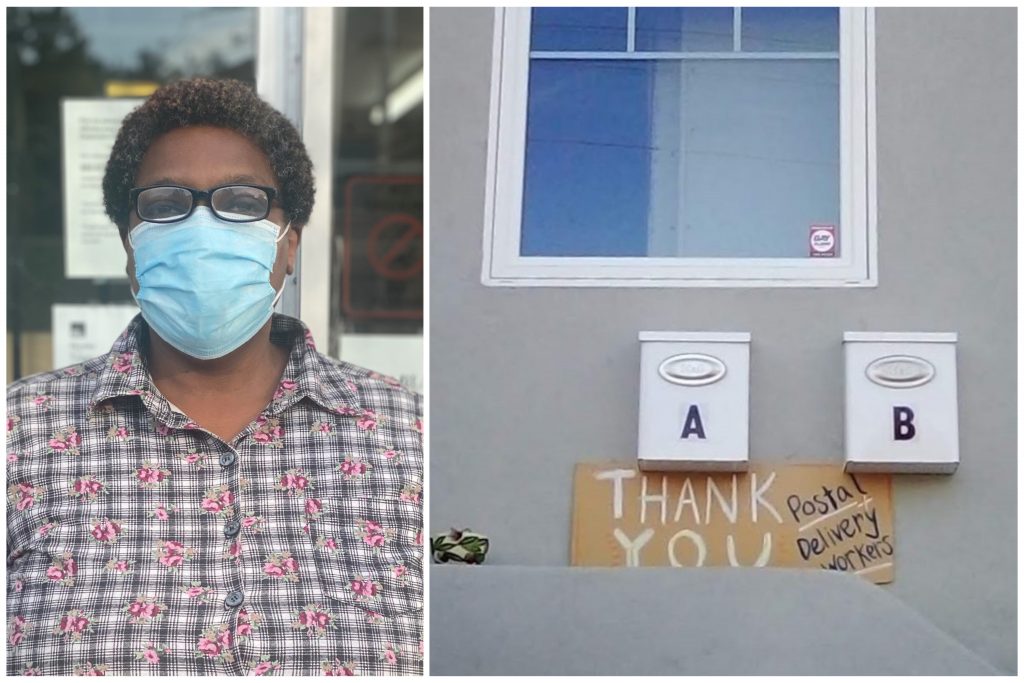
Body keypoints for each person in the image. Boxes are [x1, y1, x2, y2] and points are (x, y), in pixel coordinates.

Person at [6, 78, 423, 676]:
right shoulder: (21, 436)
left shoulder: (406, 439)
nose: (202, 227)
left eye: (243, 201)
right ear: (130, 245)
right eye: (165, 203)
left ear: (289, 244)